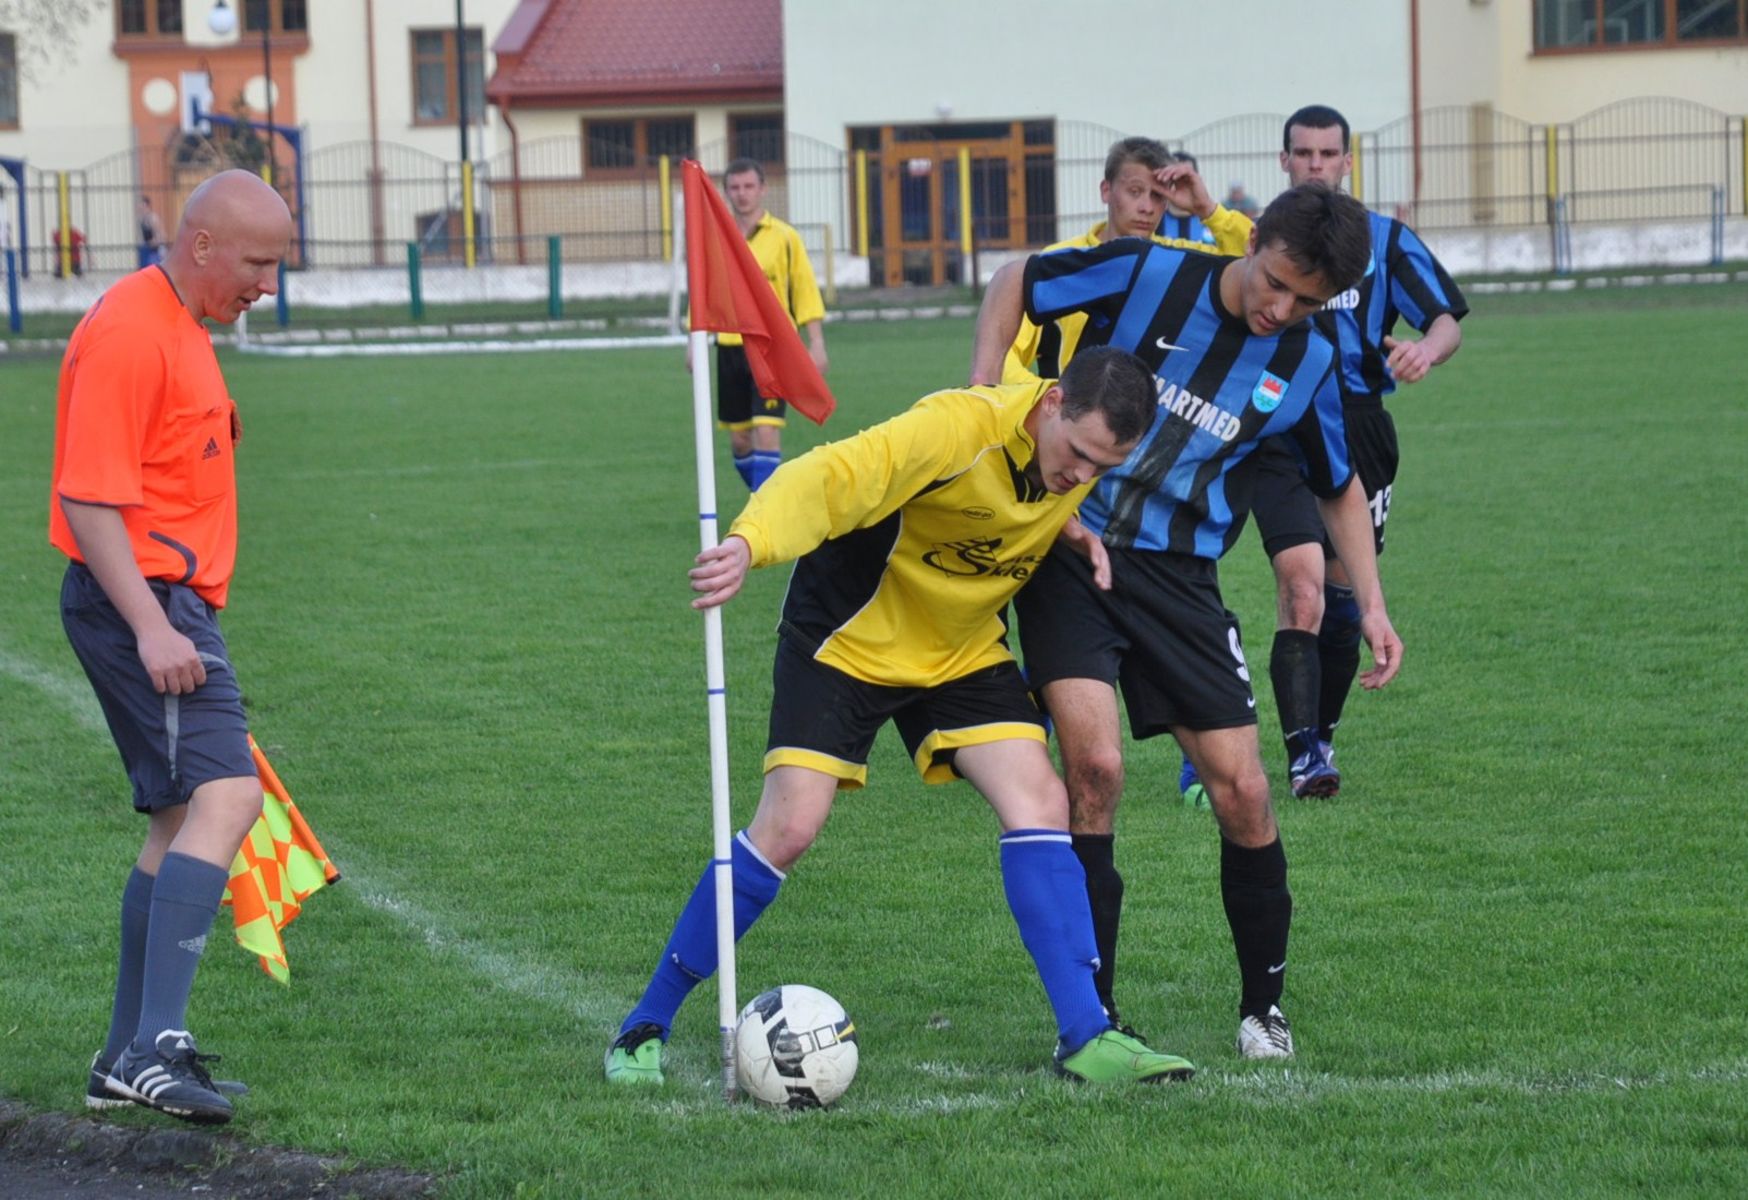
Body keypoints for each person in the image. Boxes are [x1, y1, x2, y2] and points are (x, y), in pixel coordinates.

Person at [605, 348, 1199, 1087]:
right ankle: (644, 1025)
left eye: (1101, 469)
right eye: (1078, 455)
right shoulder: (954, 430)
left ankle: (1086, 1035)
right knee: (788, 827)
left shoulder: (1067, 463)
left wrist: (1071, 529)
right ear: (1051, 403)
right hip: (849, 637)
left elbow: (1032, 503)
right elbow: (827, 479)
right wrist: (746, 542)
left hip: (958, 648)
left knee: (1042, 802)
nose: (1081, 476)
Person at [969, 184, 1404, 1059]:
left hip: (1181, 579)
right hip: (1070, 552)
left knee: (1242, 790)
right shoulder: (1148, 272)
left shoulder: (1309, 359)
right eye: (1277, 282)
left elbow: (1337, 484)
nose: (1283, 308)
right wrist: (978, 400)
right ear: (1256, 245)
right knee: (1094, 769)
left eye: (1307, 299)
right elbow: (1017, 278)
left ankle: (1262, 1010)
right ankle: (1095, 1018)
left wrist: (1378, 607)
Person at [51, 169, 293, 1125]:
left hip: (168, 601)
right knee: (229, 797)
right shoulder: (130, 330)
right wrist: (152, 625)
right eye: (259, 262)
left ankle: (122, 1056)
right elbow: (87, 493)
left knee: (176, 818)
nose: (267, 284)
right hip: (144, 604)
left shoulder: (179, 326)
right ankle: (156, 1046)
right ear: (202, 245)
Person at [1181, 104, 1467, 804]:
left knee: (1342, 600)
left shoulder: (1386, 242)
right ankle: (1301, 751)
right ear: (1286, 162)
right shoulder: (1266, 248)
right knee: (1302, 584)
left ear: (1347, 161)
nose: (1315, 164)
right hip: (1274, 428)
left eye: (1327, 153)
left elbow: (1444, 317)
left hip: (1358, 427)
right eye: (1302, 153)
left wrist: (1425, 349)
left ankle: (1321, 732)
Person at [1002, 137, 1250, 386]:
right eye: (1135, 192)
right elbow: (1003, 355)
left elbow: (1254, 264)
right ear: (1106, 190)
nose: (1146, 207)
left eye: (1157, 196)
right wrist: (1054, 401)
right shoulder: (1061, 259)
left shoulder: (1180, 261)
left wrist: (1208, 209)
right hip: (1075, 418)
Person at [688, 157, 829, 491]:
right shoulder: (715, 240)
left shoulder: (784, 237)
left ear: (763, 190)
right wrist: (693, 343)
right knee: (740, 440)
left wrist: (817, 342)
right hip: (729, 349)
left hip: (769, 348)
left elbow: (804, 288)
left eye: (749, 186)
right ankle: (760, 499)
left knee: (766, 430)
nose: (742, 194)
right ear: (726, 192)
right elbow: (703, 293)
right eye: (735, 188)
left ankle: (763, 513)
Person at [1159, 152, 1219, 246]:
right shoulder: (1154, 222)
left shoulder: (1213, 223)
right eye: (1174, 177)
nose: (1180, 184)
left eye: (1185, 177)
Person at [137, 194, 167, 268]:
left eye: (142, 206)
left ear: (147, 206)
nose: (140, 208)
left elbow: (162, 236)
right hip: (147, 250)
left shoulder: (153, 218)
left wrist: (152, 243)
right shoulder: (142, 219)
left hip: (155, 252)